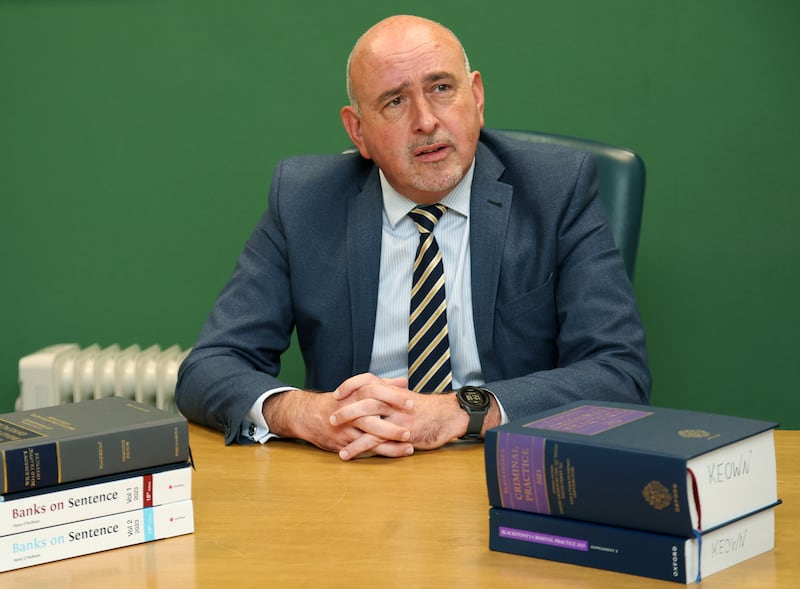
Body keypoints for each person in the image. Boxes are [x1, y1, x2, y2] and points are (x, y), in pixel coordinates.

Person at [175, 14, 651, 460]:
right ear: (358, 130)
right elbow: (210, 367)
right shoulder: (303, 201)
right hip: (353, 475)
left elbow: (618, 372)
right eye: (395, 101)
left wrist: (463, 410)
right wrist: (305, 413)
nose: (426, 121)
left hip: (503, 466)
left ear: (477, 97)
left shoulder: (556, 190)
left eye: (442, 88)